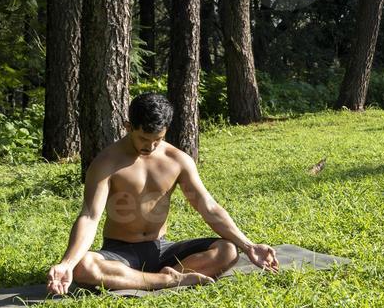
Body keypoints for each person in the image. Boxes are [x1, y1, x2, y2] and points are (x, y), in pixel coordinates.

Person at [47, 92, 279, 293]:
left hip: (162, 249)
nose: (150, 146)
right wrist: (67, 263)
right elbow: (89, 216)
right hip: (121, 253)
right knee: (83, 267)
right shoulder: (106, 163)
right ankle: (167, 281)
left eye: (158, 139)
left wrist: (248, 246)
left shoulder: (177, 160)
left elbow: (208, 207)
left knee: (227, 250)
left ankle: (159, 278)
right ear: (128, 127)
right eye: (143, 139)